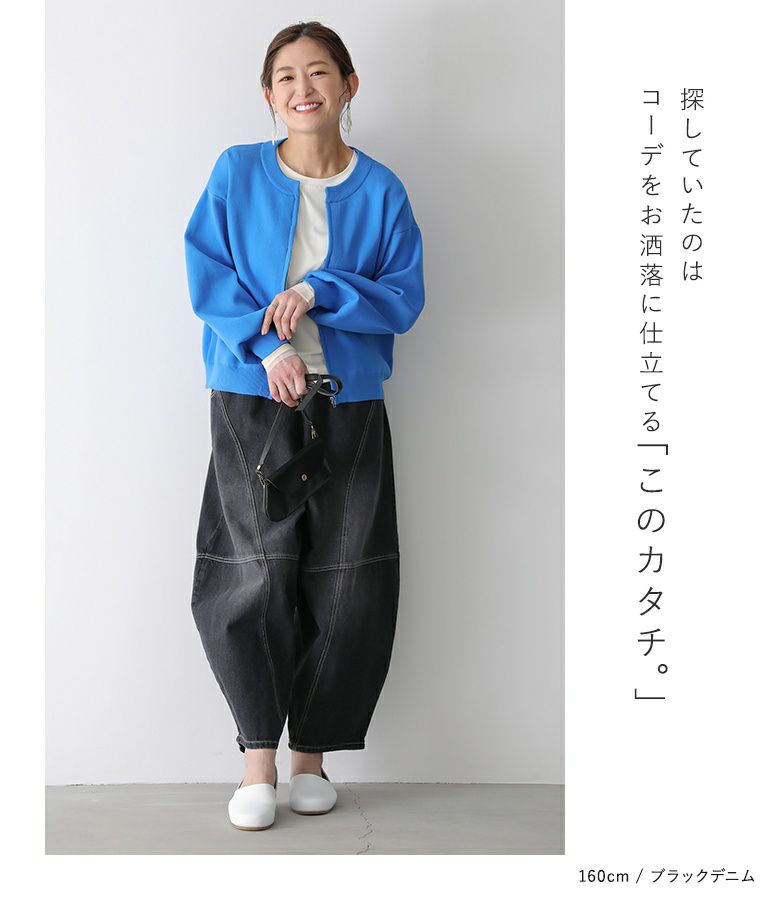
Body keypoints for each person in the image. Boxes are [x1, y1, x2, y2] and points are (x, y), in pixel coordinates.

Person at [183, 21, 425, 831]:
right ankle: (257, 761)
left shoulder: (381, 190)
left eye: (318, 72)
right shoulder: (236, 172)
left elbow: (404, 297)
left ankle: (310, 759)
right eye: (285, 76)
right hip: (252, 401)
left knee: (348, 577)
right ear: (268, 95)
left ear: (348, 86)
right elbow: (208, 274)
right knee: (252, 572)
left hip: (347, 402)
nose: (302, 88)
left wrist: (321, 290)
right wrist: (267, 348)